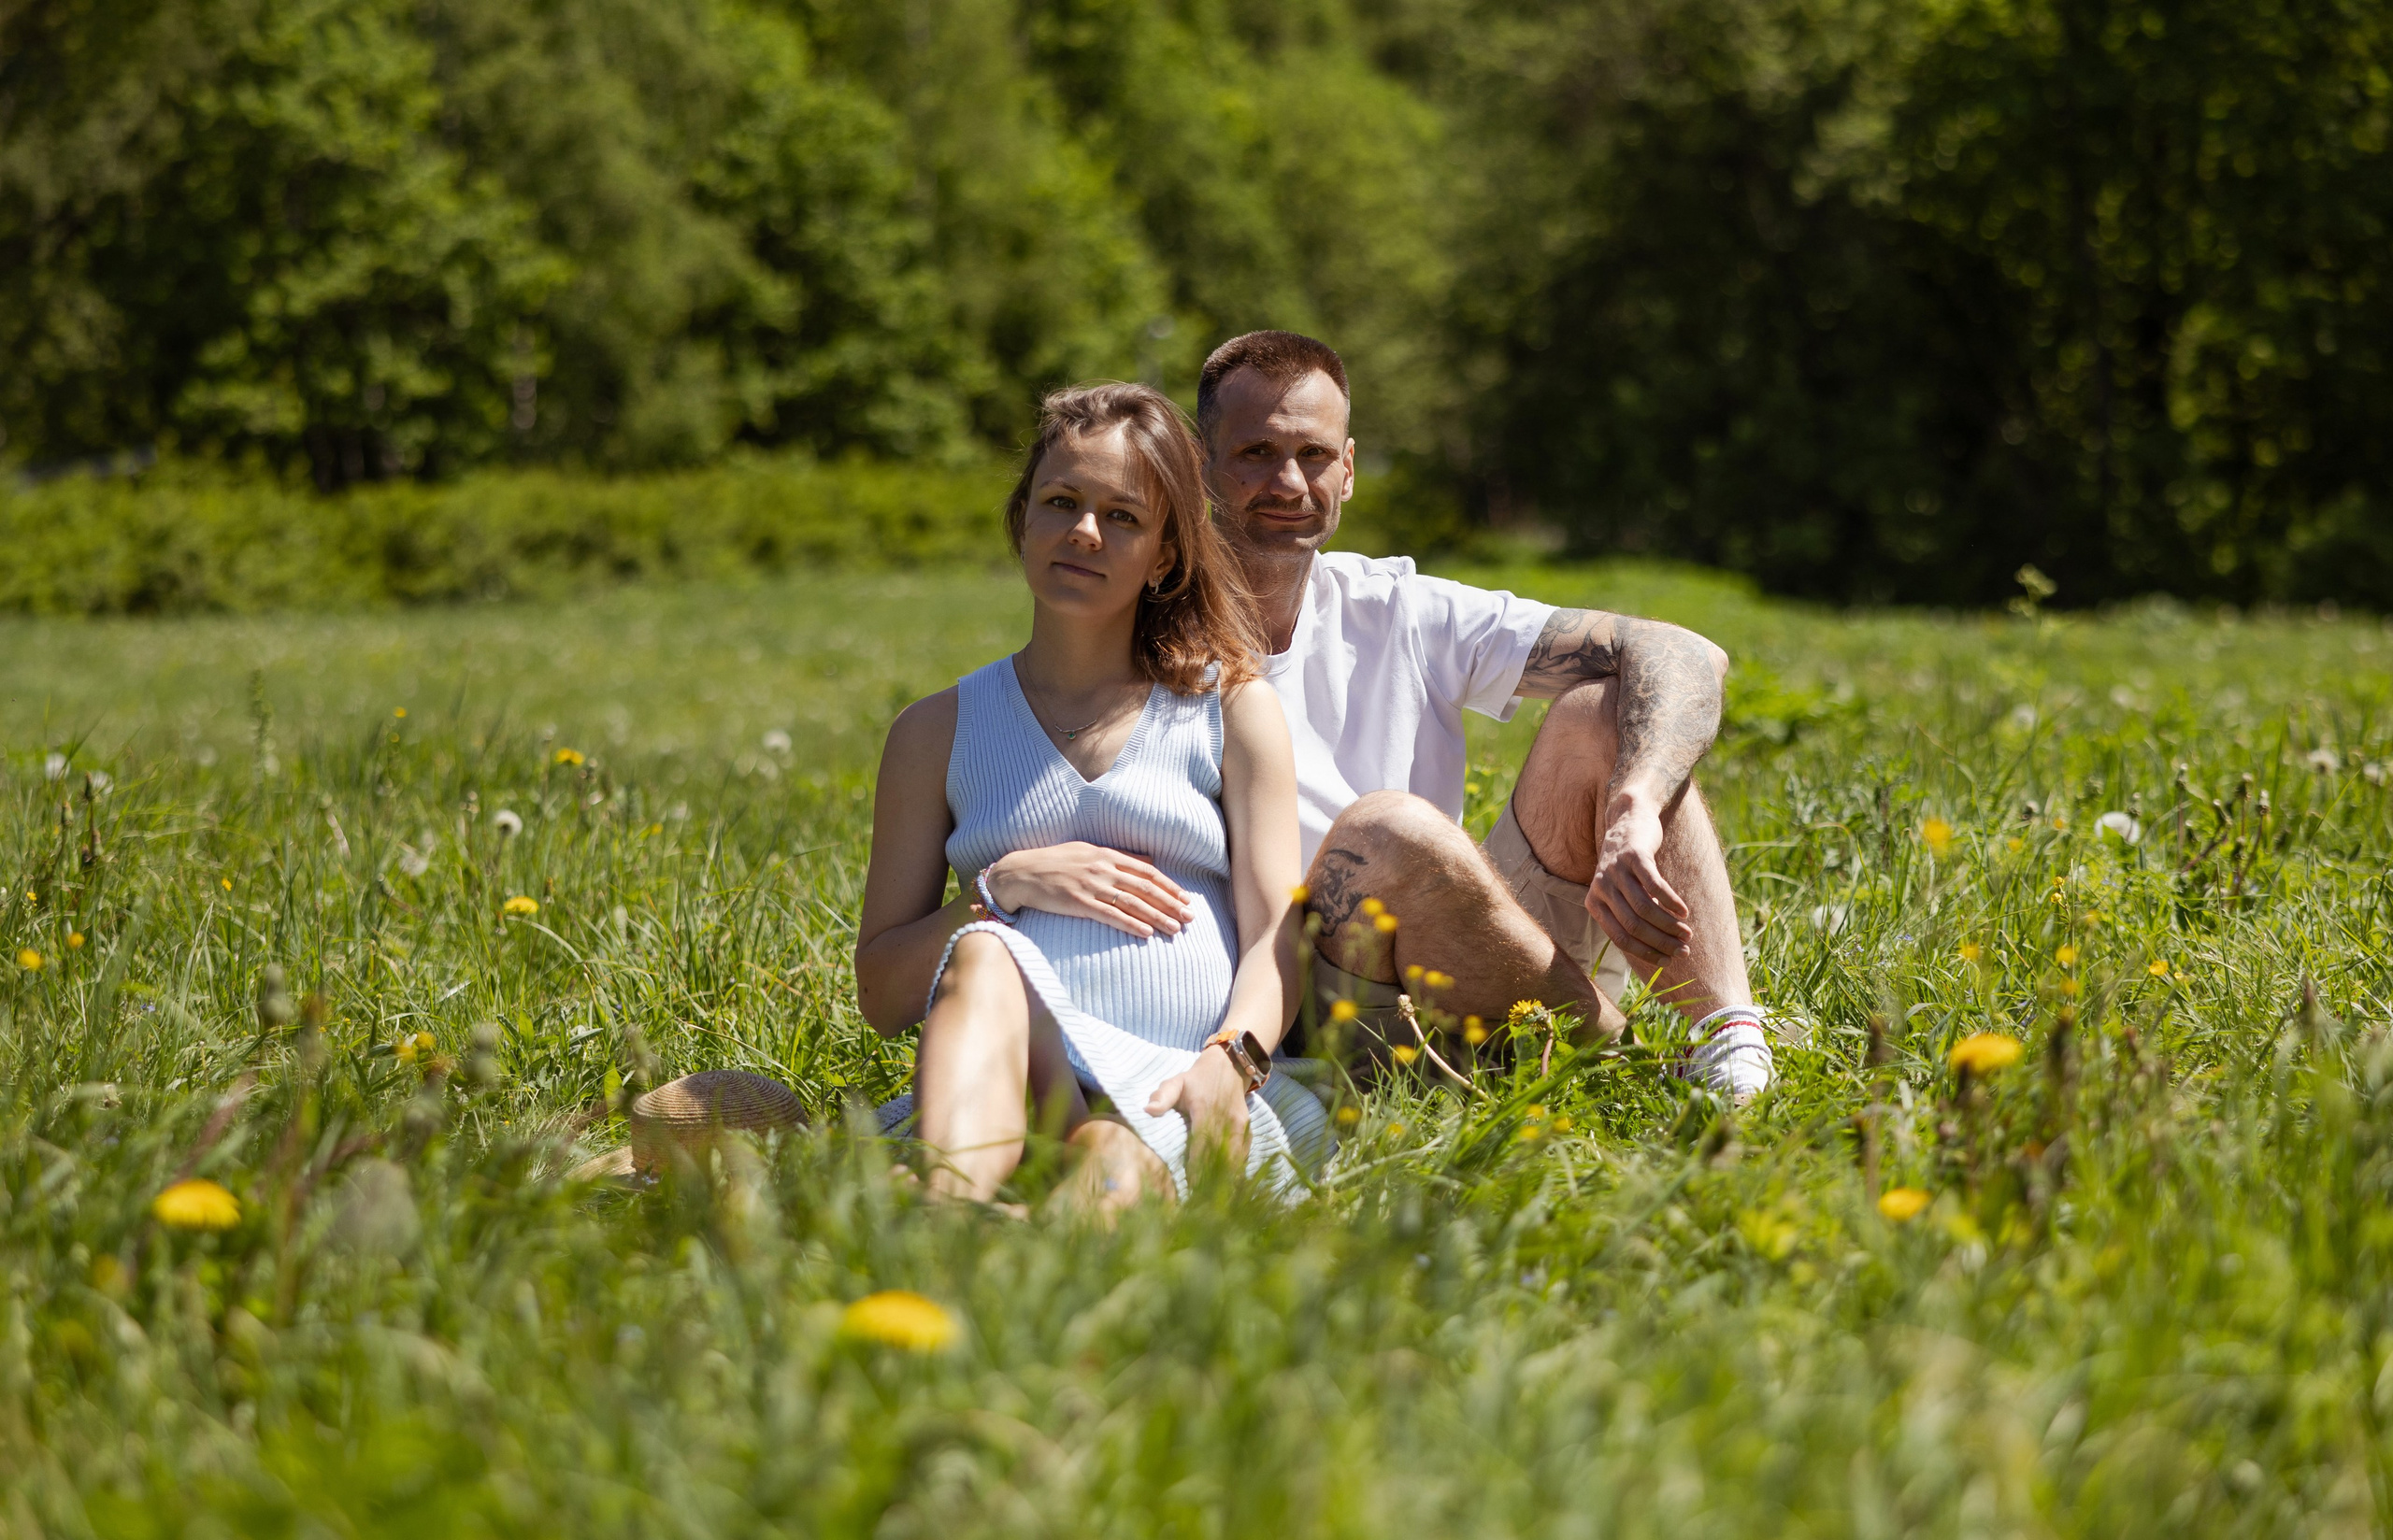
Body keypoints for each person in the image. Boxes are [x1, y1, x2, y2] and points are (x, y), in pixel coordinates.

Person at [1196, 330, 1773, 1101]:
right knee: (1387, 833)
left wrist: (1636, 801)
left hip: (1458, 951)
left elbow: (1684, 654)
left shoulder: (1397, 606)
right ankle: (1630, 1068)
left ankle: (1729, 1049)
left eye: (1315, 455)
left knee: (1602, 713)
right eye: (1255, 453)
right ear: (1199, 465)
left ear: (1350, 469)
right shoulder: (1151, 629)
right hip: (1300, 999)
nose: (1290, 481)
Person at [852, 382, 1329, 1208]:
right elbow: (884, 997)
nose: (1083, 532)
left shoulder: (1230, 710)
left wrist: (1234, 1058)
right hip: (1003, 1081)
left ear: (1167, 556)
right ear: (1022, 521)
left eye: (1123, 517)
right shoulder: (934, 732)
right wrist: (1000, 891)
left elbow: (1274, 938)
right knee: (986, 952)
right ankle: (949, 1205)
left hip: (1180, 1081)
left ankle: (990, 1228)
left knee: (1110, 1158)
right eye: (1061, 502)